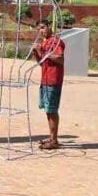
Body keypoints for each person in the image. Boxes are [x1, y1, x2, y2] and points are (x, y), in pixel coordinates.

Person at [32, 19, 65, 150]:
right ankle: (52, 137)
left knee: (52, 110)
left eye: (43, 27)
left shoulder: (56, 41)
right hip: (45, 79)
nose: (41, 31)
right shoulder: (45, 42)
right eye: (39, 29)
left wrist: (45, 52)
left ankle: (54, 140)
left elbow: (60, 59)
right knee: (48, 110)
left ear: (49, 27)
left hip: (53, 79)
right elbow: (41, 62)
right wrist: (36, 51)